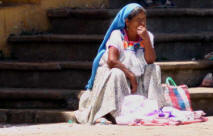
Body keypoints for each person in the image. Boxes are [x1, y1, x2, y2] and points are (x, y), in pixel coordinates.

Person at [74, 3, 167, 125]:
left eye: (144, 19)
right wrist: (130, 75)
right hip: (117, 78)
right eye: (138, 20)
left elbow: (150, 60)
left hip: (138, 82)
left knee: (155, 68)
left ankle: (154, 109)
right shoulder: (117, 35)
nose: (142, 23)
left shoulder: (147, 36)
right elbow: (112, 61)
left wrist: (146, 40)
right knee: (116, 73)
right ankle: (111, 113)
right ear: (127, 22)